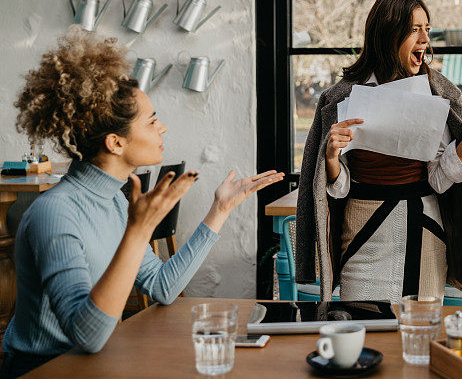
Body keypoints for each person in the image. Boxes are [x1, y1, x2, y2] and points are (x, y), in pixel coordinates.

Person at [1, 30, 283, 378]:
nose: (161, 128)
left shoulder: (115, 204)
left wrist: (220, 210)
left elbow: (163, 287)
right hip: (45, 372)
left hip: (98, 365)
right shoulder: (54, 214)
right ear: (115, 143)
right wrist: (138, 231)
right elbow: (86, 337)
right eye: (151, 121)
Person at [296, 0, 462, 303]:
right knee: (365, 332)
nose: (424, 40)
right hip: (363, 229)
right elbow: (337, 188)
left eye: (427, 29)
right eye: (414, 29)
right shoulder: (343, 97)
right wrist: (332, 157)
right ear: (388, 33)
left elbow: (439, 180)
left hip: (424, 227)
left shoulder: (436, 93)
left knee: (421, 335)